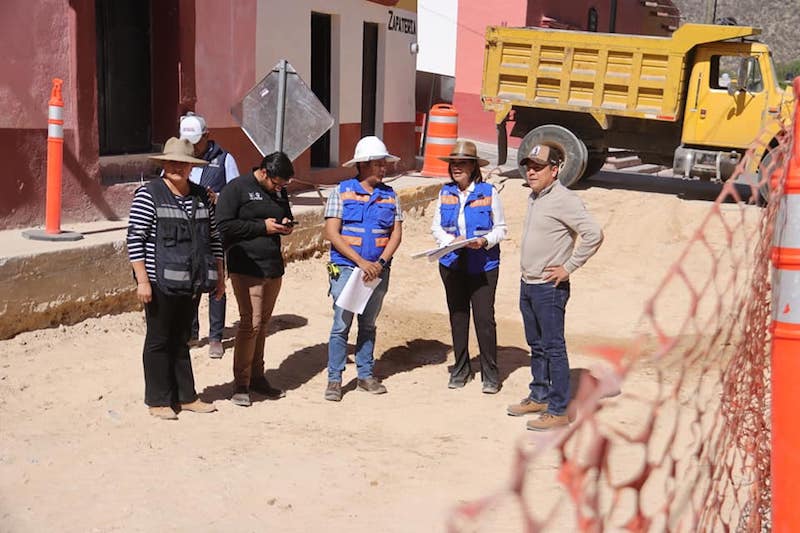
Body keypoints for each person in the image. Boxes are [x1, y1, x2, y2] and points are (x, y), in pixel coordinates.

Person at [507, 144, 603, 431]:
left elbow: (594, 234)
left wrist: (569, 267)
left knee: (553, 347)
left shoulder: (564, 199)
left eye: (538, 166)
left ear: (555, 169)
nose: (531, 171)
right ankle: (539, 395)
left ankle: (559, 409)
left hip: (549, 288)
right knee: (536, 345)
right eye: (528, 166)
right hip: (529, 283)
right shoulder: (535, 196)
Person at [126, 137, 224, 420]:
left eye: (182, 163)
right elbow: (135, 239)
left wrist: (220, 276)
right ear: (164, 164)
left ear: (191, 167)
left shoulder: (203, 196)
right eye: (171, 162)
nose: (176, 167)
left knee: (182, 338)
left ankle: (186, 396)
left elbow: (214, 238)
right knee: (158, 339)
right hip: (159, 283)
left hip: (192, 281)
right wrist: (142, 281)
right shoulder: (149, 194)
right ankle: (158, 400)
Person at [323, 136, 403, 402]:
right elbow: (332, 233)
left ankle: (365, 375)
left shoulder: (391, 196)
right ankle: (335, 380)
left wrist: (379, 264)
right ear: (365, 165)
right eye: (380, 163)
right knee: (340, 326)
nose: (385, 168)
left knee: (368, 324)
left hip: (377, 271)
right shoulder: (341, 192)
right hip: (347, 269)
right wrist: (361, 262)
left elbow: (396, 234)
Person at [215, 152, 295, 407]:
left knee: (263, 324)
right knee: (251, 323)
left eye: (283, 185)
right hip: (246, 266)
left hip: (273, 267)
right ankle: (241, 383)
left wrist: (285, 224)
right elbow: (224, 226)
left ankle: (257, 377)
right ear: (263, 172)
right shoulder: (236, 189)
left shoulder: (278, 191)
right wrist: (263, 227)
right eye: (276, 183)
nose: (279, 189)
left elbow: (284, 213)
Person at [431, 140, 507, 393]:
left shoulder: (489, 192)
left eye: (462, 163)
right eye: (454, 163)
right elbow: (436, 227)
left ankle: (490, 374)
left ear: (474, 166)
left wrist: (484, 241)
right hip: (452, 262)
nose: (456, 168)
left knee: (484, 319)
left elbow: (501, 229)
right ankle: (461, 369)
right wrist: (448, 241)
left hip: (483, 264)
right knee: (458, 317)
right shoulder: (445, 192)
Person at [179, 112, 240, 359]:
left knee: (216, 281)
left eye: (196, 142)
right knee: (189, 282)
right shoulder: (179, 159)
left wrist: (219, 198)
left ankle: (216, 336)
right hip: (188, 231)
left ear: (207, 136)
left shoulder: (224, 160)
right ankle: (191, 332)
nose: (192, 147)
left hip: (214, 230)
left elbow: (237, 195)